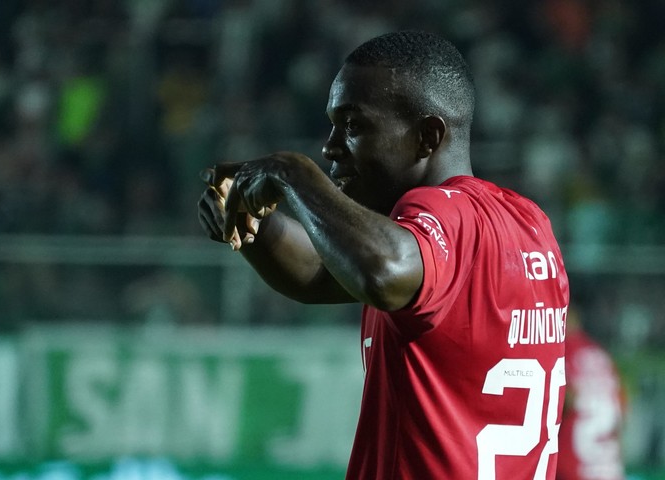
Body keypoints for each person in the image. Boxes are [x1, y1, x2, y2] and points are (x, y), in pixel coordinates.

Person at [198, 31, 570, 479]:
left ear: (428, 137)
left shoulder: (436, 212)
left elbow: (381, 271)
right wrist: (255, 225)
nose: (331, 147)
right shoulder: (527, 223)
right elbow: (322, 273)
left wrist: (291, 173)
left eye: (353, 126)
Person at [557, 307, 627, 480]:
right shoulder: (599, 354)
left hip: (572, 468)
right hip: (608, 469)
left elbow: (563, 400)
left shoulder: (561, 351)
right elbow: (622, 407)